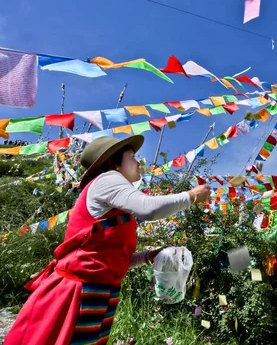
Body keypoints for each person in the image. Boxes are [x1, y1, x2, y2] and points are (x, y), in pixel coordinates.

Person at [5, 135, 211, 345]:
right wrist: (192, 195)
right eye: (132, 156)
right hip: (77, 292)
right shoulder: (107, 179)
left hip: (99, 293)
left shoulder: (117, 205)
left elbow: (110, 259)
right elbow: (149, 208)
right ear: (113, 162)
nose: (138, 162)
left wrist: (148, 257)